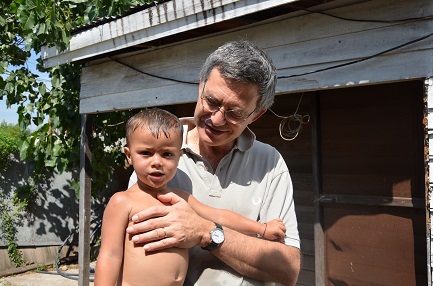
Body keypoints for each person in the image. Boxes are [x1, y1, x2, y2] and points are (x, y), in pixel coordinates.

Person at [126, 40, 301, 286]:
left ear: (256, 114)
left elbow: (288, 269)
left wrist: (207, 233)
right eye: (212, 101)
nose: (217, 119)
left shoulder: (270, 163)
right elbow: (132, 255)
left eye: (235, 112)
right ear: (201, 86)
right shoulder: (154, 158)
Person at [94, 108, 287, 286]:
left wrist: (262, 229)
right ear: (129, 155)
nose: (157, 162)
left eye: (167, 154)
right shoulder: (122, 202)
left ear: (179, 157)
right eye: (146, 153)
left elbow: (219, 216)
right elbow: (110, 256)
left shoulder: (179, 198)